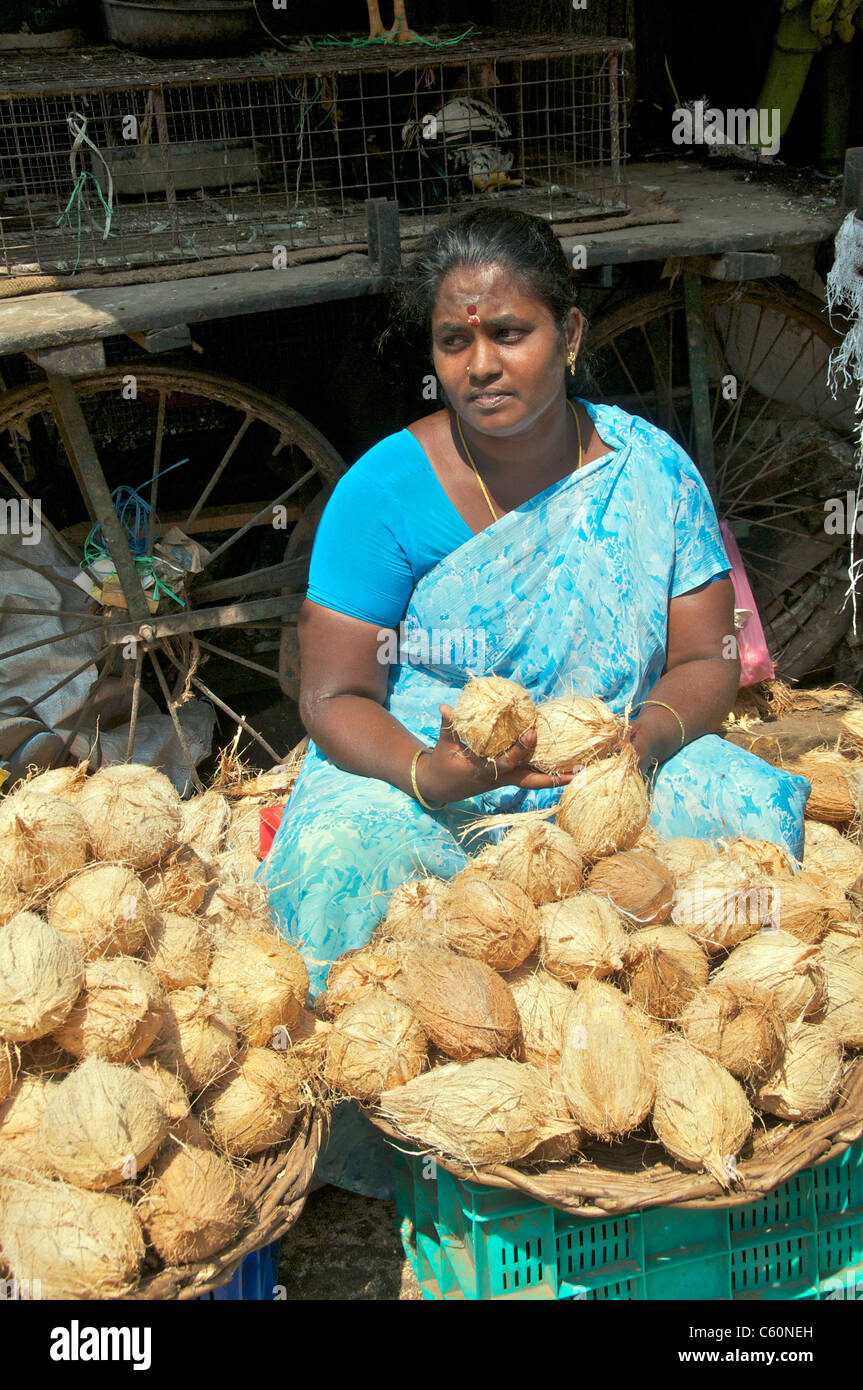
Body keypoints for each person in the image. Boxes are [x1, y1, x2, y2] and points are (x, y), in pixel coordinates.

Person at [258, 206, 810, 1196]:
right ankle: (391, 1150)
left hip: (608, 776)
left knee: (737, 822)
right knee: (344, 861)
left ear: (569, 332)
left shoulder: (649, 474)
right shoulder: (383, 491)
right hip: (434, 779)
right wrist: (429, 769)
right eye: (454, 340)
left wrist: (636, 743)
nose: (481, 363)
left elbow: (705, 660)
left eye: (508, 333)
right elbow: (334, 692)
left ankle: (694, 1095)